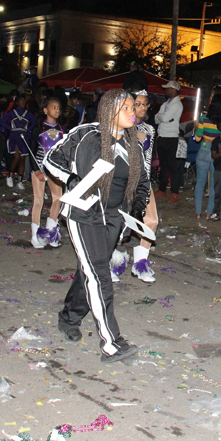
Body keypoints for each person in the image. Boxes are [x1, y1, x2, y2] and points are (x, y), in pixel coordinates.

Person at [44, 89, 149, 364]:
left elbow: (142, 183)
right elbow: (51, 160)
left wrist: (134, 213)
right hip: (85, 214)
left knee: (90, 270)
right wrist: (75, 181)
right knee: (99, 274)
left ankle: (69, 317)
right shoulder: (87, 134)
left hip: (113, 217)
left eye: (134, 107)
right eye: (126, 107)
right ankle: (112, 343)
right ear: (109, 111)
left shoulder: (132, 143)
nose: (132, 111)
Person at [126, 90, 158, 283]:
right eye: (138, 103)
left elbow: (147, 158)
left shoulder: (150, 130)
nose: (142, 107)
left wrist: (145, 180)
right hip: (123, 180)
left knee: (152, 220)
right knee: (121, 224)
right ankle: (112, 262)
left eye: (145, 104)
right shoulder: (121, 127)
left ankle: (140, 264)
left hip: (143, 180)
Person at [29, 97, 65, 249]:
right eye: (53, 107)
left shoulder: (63, 129)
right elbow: (30, 150)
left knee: (58, 199)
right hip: (39, 166)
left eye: (58, 108)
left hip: (55, 169)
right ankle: (36, 235)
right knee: (39, 200)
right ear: (45, 110)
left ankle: (51, 232)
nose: (57, 110)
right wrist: (36, 170)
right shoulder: (38, 128)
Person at [191, 96, 221, 219]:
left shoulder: (204, 119)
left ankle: (198, 212)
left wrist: (196, 132)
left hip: (204, 149)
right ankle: (209, 212)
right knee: (213, 185)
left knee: (200, 183)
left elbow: (197, 138)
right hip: (217, 152)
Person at [154, 80, 184, 203]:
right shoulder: (166, 103)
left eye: (167, 88)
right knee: (164, 165)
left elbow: (162, 117)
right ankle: (162, 190)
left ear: (173, 90)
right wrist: (163, 118)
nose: (165, 90)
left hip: (170, 138)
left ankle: (175, 192)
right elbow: (157, 119)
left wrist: (162, 117)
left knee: (173, 166)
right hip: (162, 136)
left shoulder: (177, 104)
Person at [1, 95, 36, 190]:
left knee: (23, 158)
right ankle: (9, 176)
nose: (23, 103)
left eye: (24, 101)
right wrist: (11, 128)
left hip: (23, 137)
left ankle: (20, 181)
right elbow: (2, 121)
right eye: (21, 101)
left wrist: (28, 129)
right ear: (17, 102)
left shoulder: (27, 113)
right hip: (14, 137)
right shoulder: (13, 112)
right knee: (16, 157)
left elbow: (34, 122)